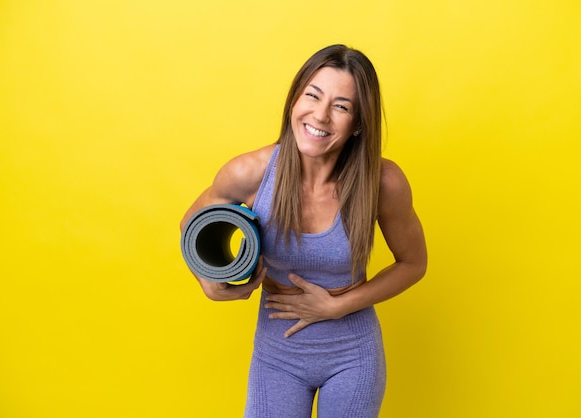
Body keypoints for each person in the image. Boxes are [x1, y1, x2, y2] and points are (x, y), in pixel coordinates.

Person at [180, 44, 427, 418]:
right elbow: (191, 224)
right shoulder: (250, 173)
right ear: (295, 100)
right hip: (277, 356)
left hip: (352, 354)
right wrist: (207, 282)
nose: (321, 115)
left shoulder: (383, 182)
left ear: (359, 123)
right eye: (312, 95)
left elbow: (413, 263)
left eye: (341, 106)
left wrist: (336, 306)